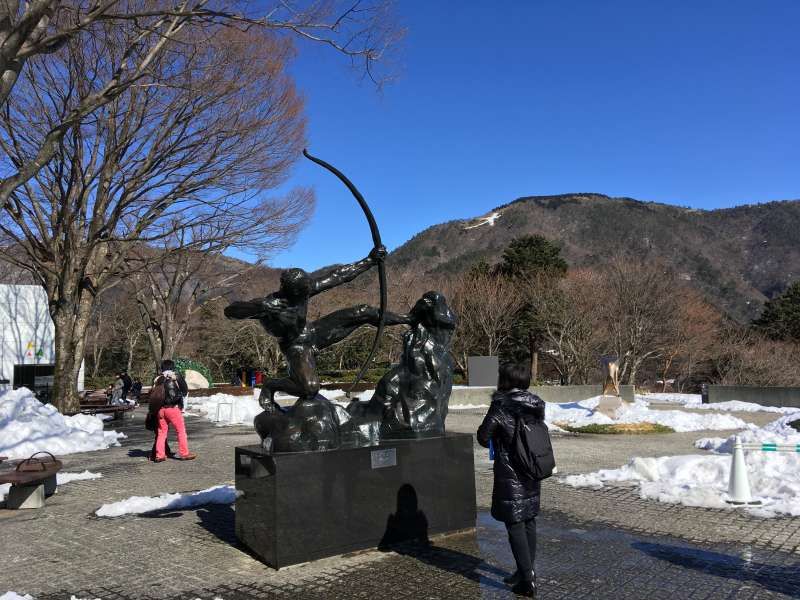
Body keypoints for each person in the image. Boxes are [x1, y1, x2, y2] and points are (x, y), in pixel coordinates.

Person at [477, 363, 544, 598]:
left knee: (515, 524)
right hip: (532, 471)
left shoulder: (500, 406)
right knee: (528, 521)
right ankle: (524, 571)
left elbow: (483, 436)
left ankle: (528, 581)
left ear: (505, 380)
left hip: (510, 474)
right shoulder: (535, 405)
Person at [150, 360, 196, 462]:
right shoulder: (176, 377)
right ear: (172, 367)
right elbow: (184, 391)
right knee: (181, 431)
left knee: (161, 433)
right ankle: (184, 453)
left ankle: (160, 455)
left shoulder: (157, 379)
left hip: (160, 410)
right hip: (173, 408)